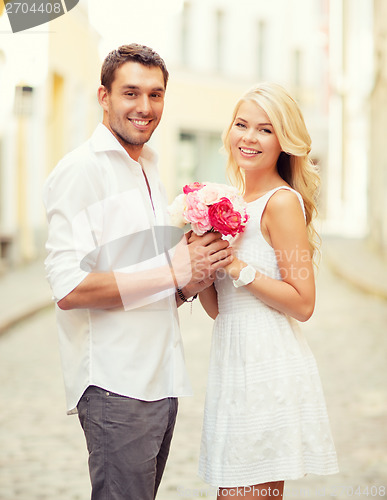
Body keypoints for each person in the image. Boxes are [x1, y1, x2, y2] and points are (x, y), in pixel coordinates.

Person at [42, 43, 233, 500]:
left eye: (156, 94)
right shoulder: (80, 171)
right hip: (116, 386)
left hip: (160, 381)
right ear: (103, 97)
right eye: (131, 93)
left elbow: (148, 281)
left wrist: (192, 279)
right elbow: (68, 287)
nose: (144, 107)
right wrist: (173, 270)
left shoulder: (149, 168)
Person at [192, 82, 339, 499]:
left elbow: (304, 302)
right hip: (232, 362)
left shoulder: (281, 203)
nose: (249, 138)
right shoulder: (232, 203)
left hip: (267, 366)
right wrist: (204, 263)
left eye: (265, 129)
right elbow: (222, 310)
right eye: (242, 125)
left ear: (283, 142)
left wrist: (238, 267)